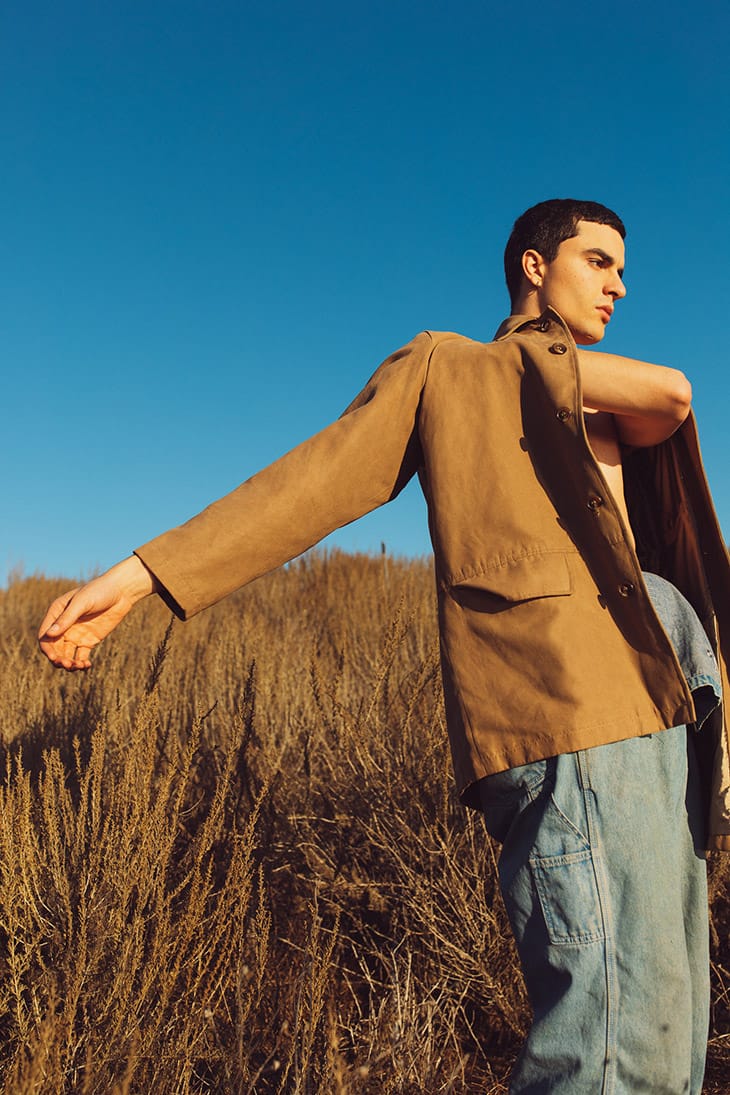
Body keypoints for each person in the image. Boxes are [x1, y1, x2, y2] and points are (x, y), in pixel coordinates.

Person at [39, 199, 729, 1092]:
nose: (619, 287)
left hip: (660, 715)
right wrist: (139, 576)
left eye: (623, 270)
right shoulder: (454, 366)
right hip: (569, 708)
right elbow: (312, 482)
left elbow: (668, 404)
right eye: (598, 262)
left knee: (670, 1035)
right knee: (612, 1046)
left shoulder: (585, 396)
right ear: (533, 265)